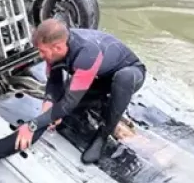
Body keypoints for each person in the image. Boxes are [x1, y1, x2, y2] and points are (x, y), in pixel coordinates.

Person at [13, 18, 147, 164]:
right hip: (98, 77)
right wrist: (49, 101)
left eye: (42, 52)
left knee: (123, 78)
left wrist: (32, 125)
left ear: (57, 47)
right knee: (62, 106)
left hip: (130, 73)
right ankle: (99, 100)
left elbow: (69, 103)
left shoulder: (86, 54)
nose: (40, 56)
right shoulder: (57, 45)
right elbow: (54, 80)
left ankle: (102, 136)